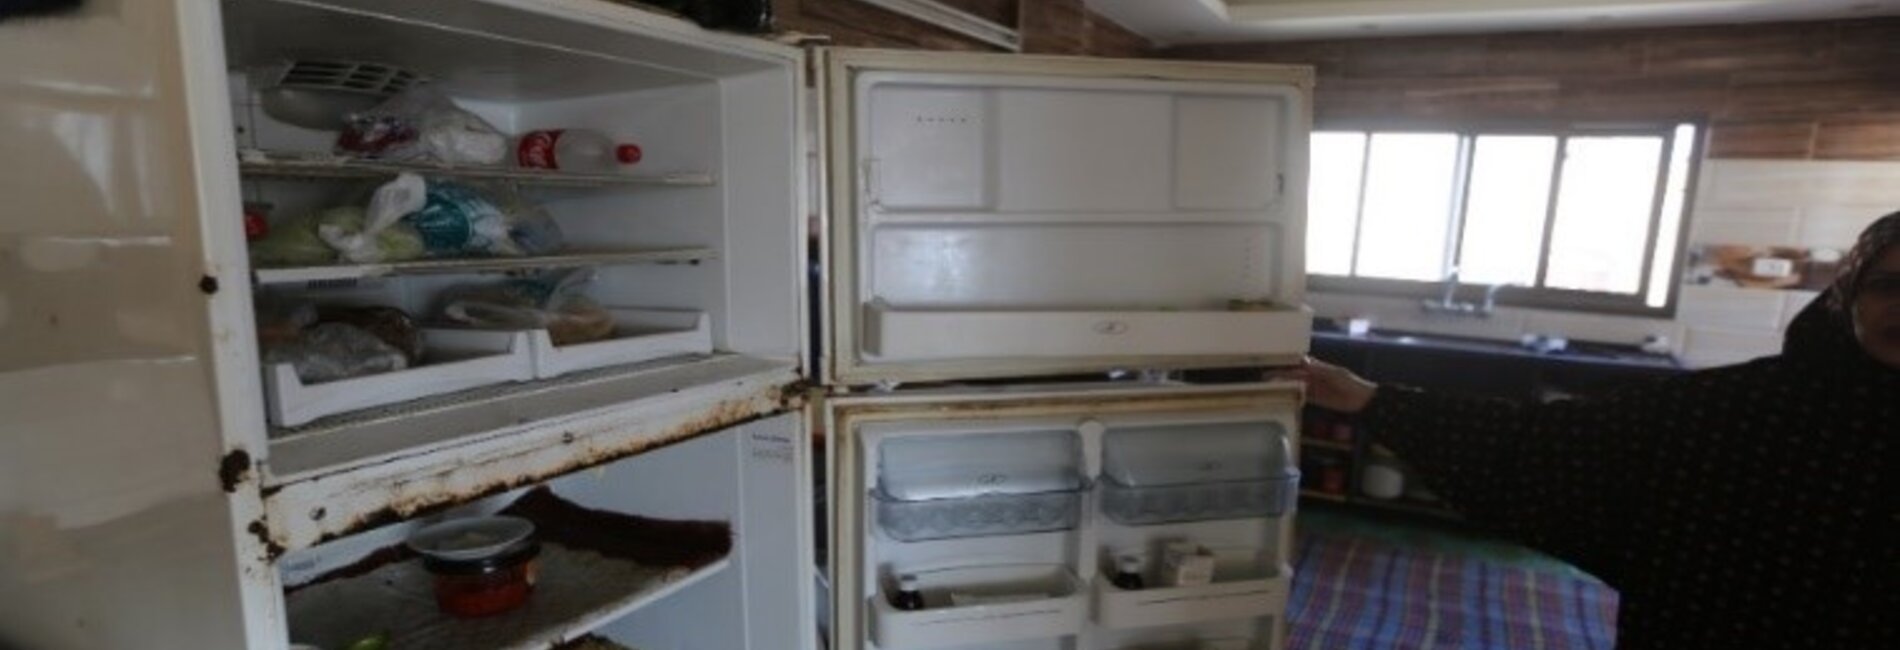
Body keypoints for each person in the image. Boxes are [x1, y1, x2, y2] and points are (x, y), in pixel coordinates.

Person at [1285, 212, 1899, 649]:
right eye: (1887, 286)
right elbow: (1548, 445)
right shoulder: (1751, 407)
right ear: (1847, 297)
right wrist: (1365, 399)